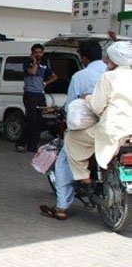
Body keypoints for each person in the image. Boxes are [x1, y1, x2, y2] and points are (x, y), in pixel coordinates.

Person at [40, 40, 106, 220]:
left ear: (84, 58)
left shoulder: (81, 77)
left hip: (93, 130)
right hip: (121, 130)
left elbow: (70, 108)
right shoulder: (115, 74)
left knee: (63, 159)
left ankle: (61, 207)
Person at [65, 41, 132, 185]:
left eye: (108, 58)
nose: (106, 61)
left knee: (72, 138)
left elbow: (97, 107)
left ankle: (85, 178)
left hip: (114, 130)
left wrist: (87, 97)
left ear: (114, 59)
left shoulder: (108, 77)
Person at [16, 43, 58, 153]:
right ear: (32, 53)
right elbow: (33, 72)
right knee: (31, 120)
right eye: (36, 52)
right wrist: (34, 61)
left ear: (43, 53)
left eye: (40, 52)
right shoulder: (27, 63)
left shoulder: (44, 65)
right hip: (30, 95)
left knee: (39, 121)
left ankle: (32, 146)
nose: (38, 54)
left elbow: (54, 77)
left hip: (40, 95)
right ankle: (20, 143)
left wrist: (45, 83)